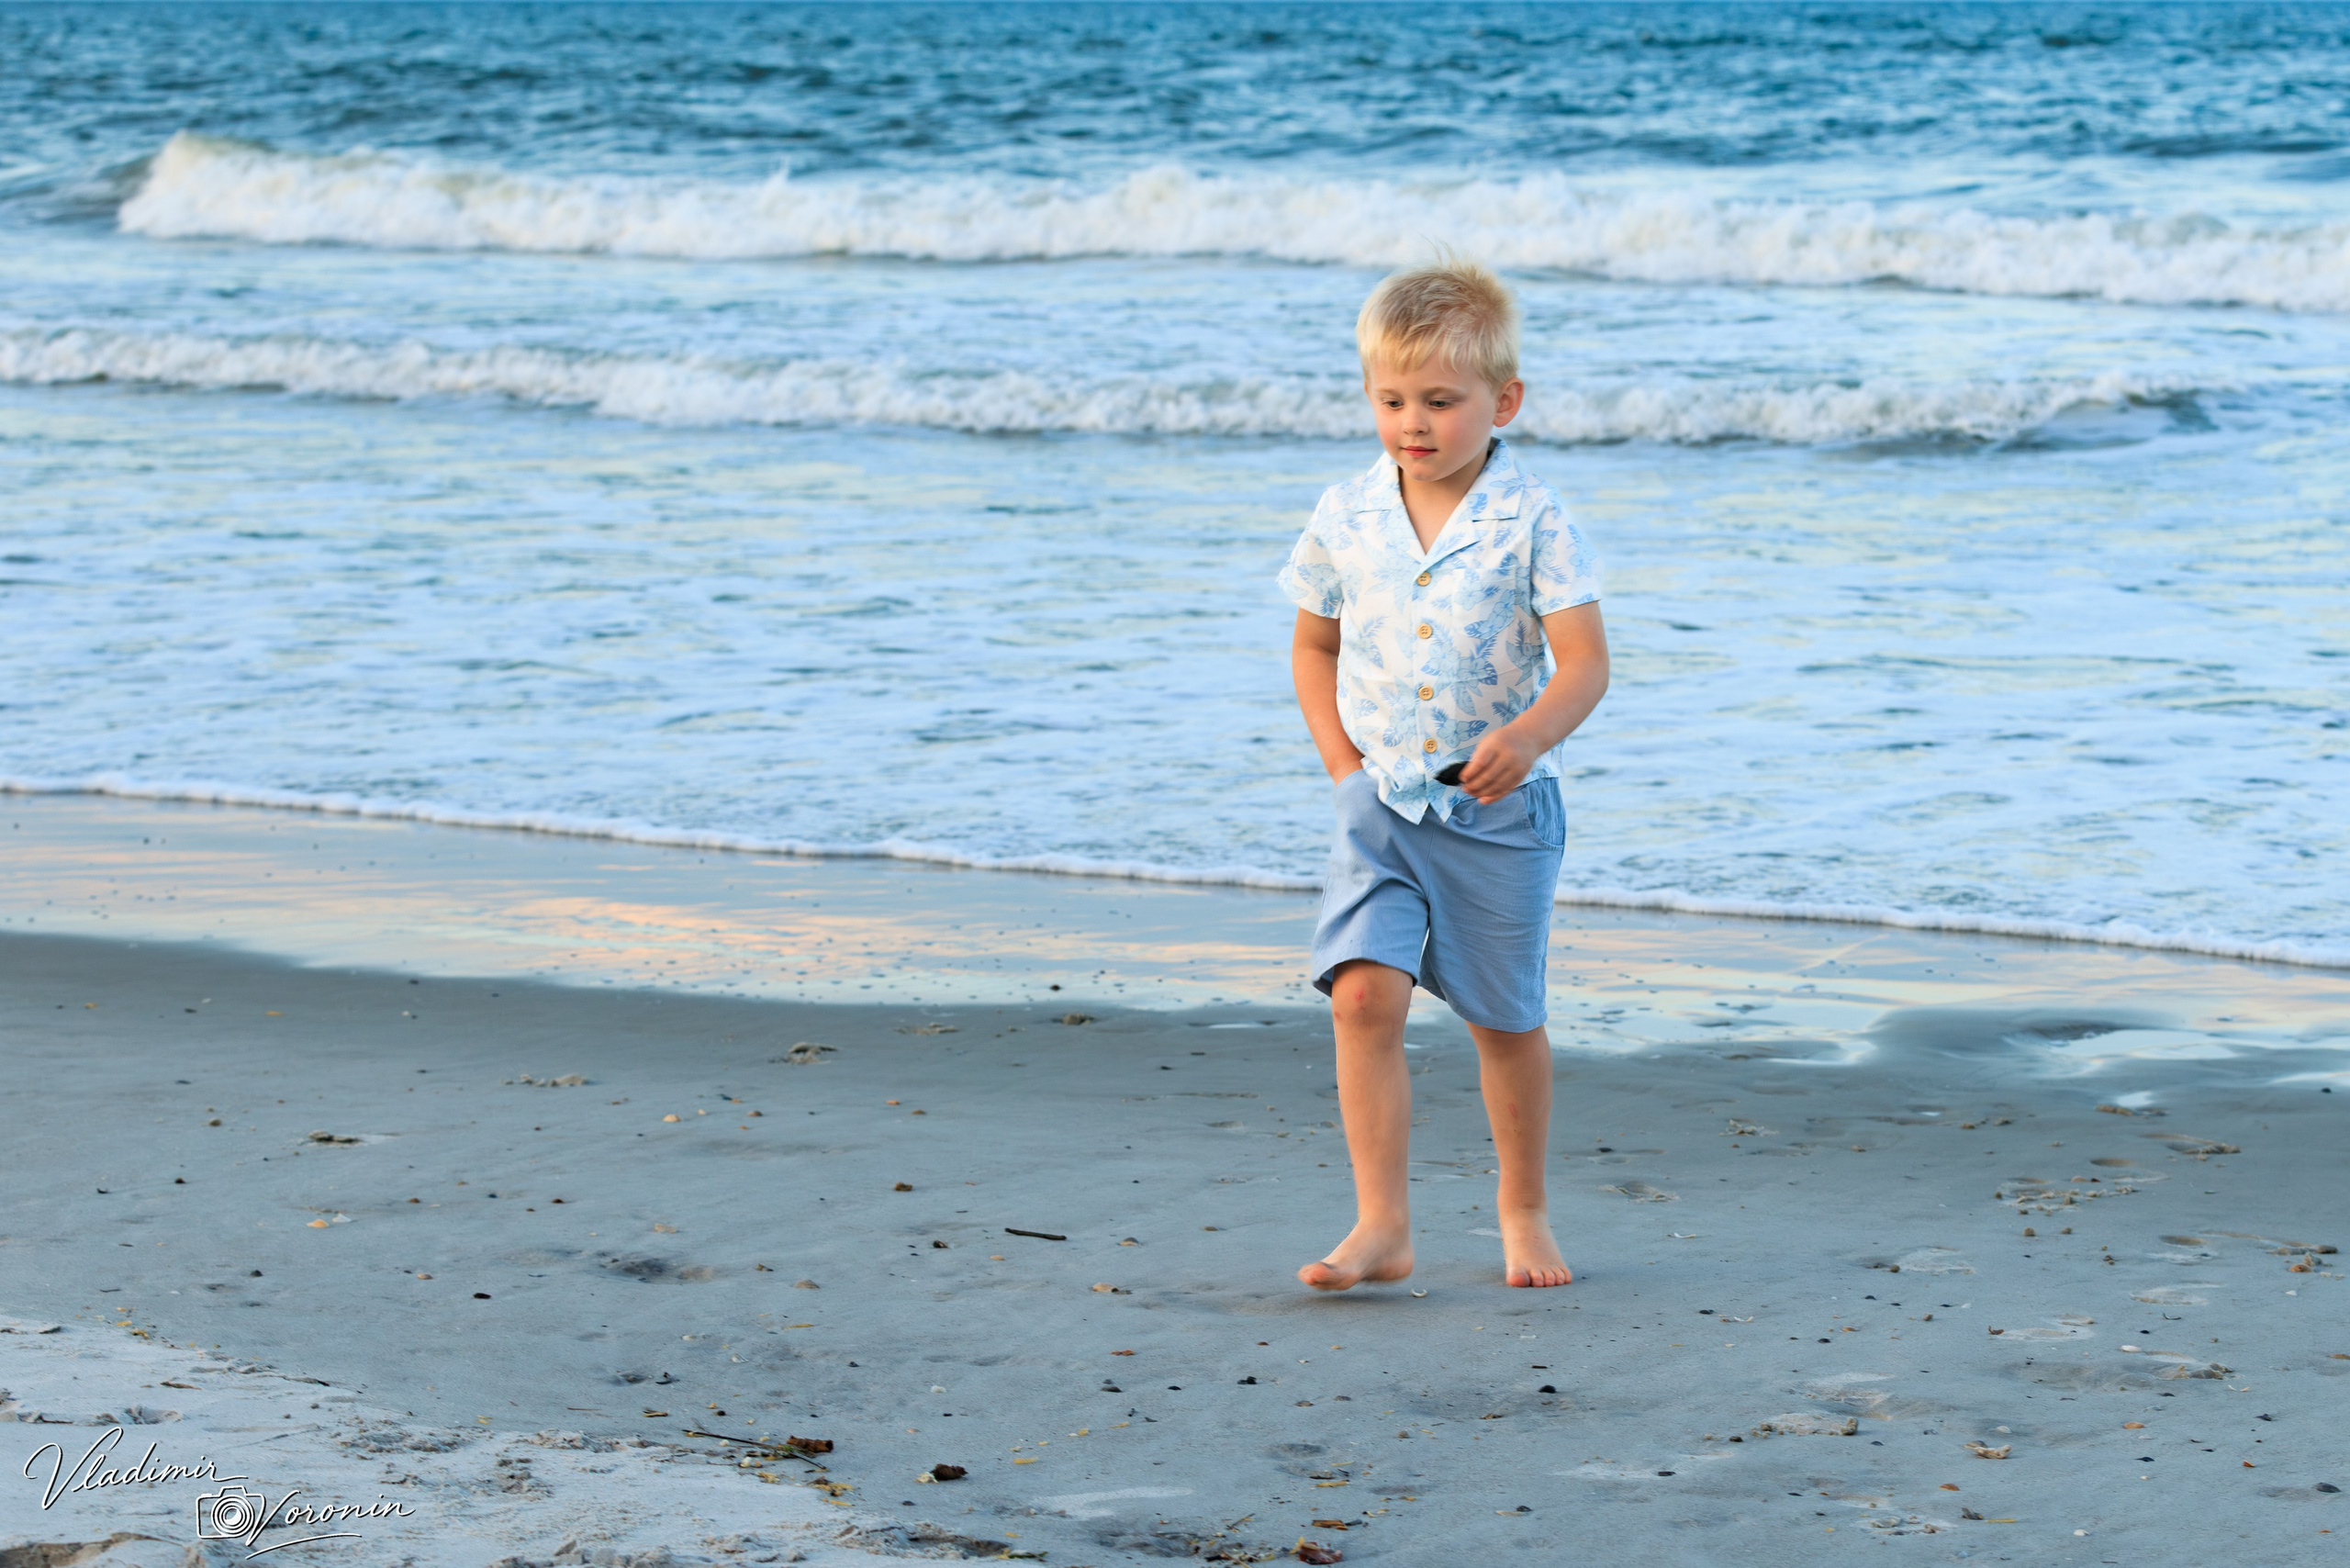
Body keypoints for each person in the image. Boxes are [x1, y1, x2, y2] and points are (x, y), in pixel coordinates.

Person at [1278, 257, 1609, 1292]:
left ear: (1501, 401)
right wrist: (1341, 768)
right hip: (1375, 805)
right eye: (1390, 401)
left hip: (1495, 814)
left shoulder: (1536, 517)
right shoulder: (1346, 511)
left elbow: (1587, 664)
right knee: (1362, 1000)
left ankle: (1524, 1209)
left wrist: (1533, 736)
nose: (1412, 423)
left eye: (1438, 401)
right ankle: (1381, 1226)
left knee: (1502, 1019)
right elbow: (1312, 646)